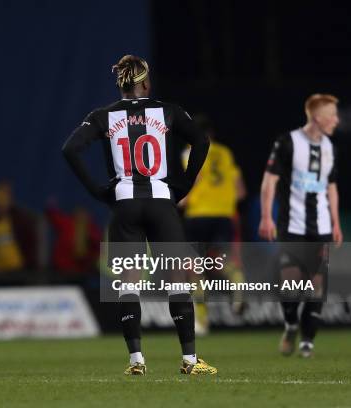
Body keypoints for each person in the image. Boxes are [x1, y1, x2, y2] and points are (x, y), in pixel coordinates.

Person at [62, 55, 215, 375]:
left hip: (125, 203)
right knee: (177, 279)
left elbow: (71, 149)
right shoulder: (168, 111)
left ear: (121, 84)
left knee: (128, 281)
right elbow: (201, 140)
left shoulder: (103, 116)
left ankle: (136, 360)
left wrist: (97, 190)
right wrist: (185, 183)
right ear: (146, 82)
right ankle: (189, 360)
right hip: (161, 200)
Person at [259, 93, 342, 358]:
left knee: (317, 285)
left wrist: (337, 223)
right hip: (292, 225)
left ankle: (307, 342)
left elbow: (331, 187)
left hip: (322, 226)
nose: (337, 120)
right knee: (291, 283)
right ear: (318, 118)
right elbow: (269, 181)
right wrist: (266, 217)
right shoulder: (287, 142)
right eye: (332, 115)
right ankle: (291, 324)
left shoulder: (329, 146)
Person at [181, 117, 246, 335]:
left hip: (198, 215)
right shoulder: (226, 153)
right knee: (221, 262)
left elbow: (194, 179)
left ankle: (202, 320)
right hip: (224, 215)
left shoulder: (189, 152)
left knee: (194, 268)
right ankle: (238, 290)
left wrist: (181, 201)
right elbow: (240, 191)